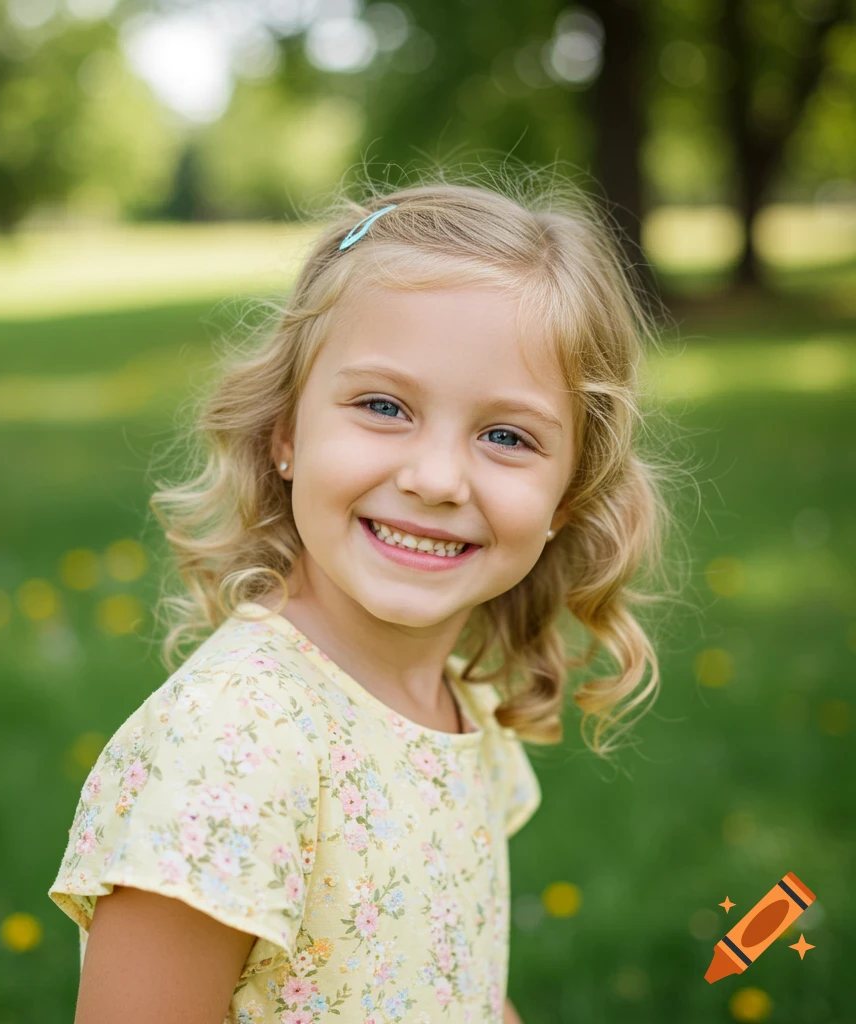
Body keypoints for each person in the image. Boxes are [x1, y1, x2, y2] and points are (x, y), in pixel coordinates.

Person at [47, 170, 676, 1023]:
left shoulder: (462, 705)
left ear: (568, 493)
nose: (435, 478)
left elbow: (456, 984)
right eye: (383, 406)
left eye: (506, 435)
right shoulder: (230, 746)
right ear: (285, 434)